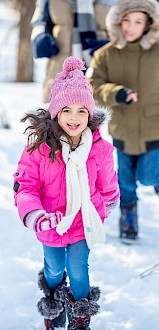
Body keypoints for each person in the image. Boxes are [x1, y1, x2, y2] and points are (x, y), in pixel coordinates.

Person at [13, 56, 119, 330]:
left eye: (82, 111)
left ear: (90, 114)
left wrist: (105, 207)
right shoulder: (39, 149)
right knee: (54, 269)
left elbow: (108, 186)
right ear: (56, 113)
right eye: (67, 110)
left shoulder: (101, 149)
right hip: (52, 224)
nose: (74, 118)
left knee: (78, 270)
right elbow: (25, 186)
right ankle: (52, 301)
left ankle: (80, 319)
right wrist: (36, 215)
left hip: (83, 223)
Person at [87, 0, 159, 244]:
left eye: (138, 21)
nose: (131, 27)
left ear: (148, 23)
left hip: (154, 128)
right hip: (123, 129)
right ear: (117, 21)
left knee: (150, 176)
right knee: (125, 181)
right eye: (126, 20)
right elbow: (92, 85)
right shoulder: (106, 54)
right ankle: (129, 217)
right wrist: (116, 93)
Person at [31, 0, 118, 103]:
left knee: (98, 113)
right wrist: (40, 37)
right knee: (57, 113)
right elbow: (40, 21)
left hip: (100, 69)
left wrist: (110, 46)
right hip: (60, 67)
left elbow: (128, 29)